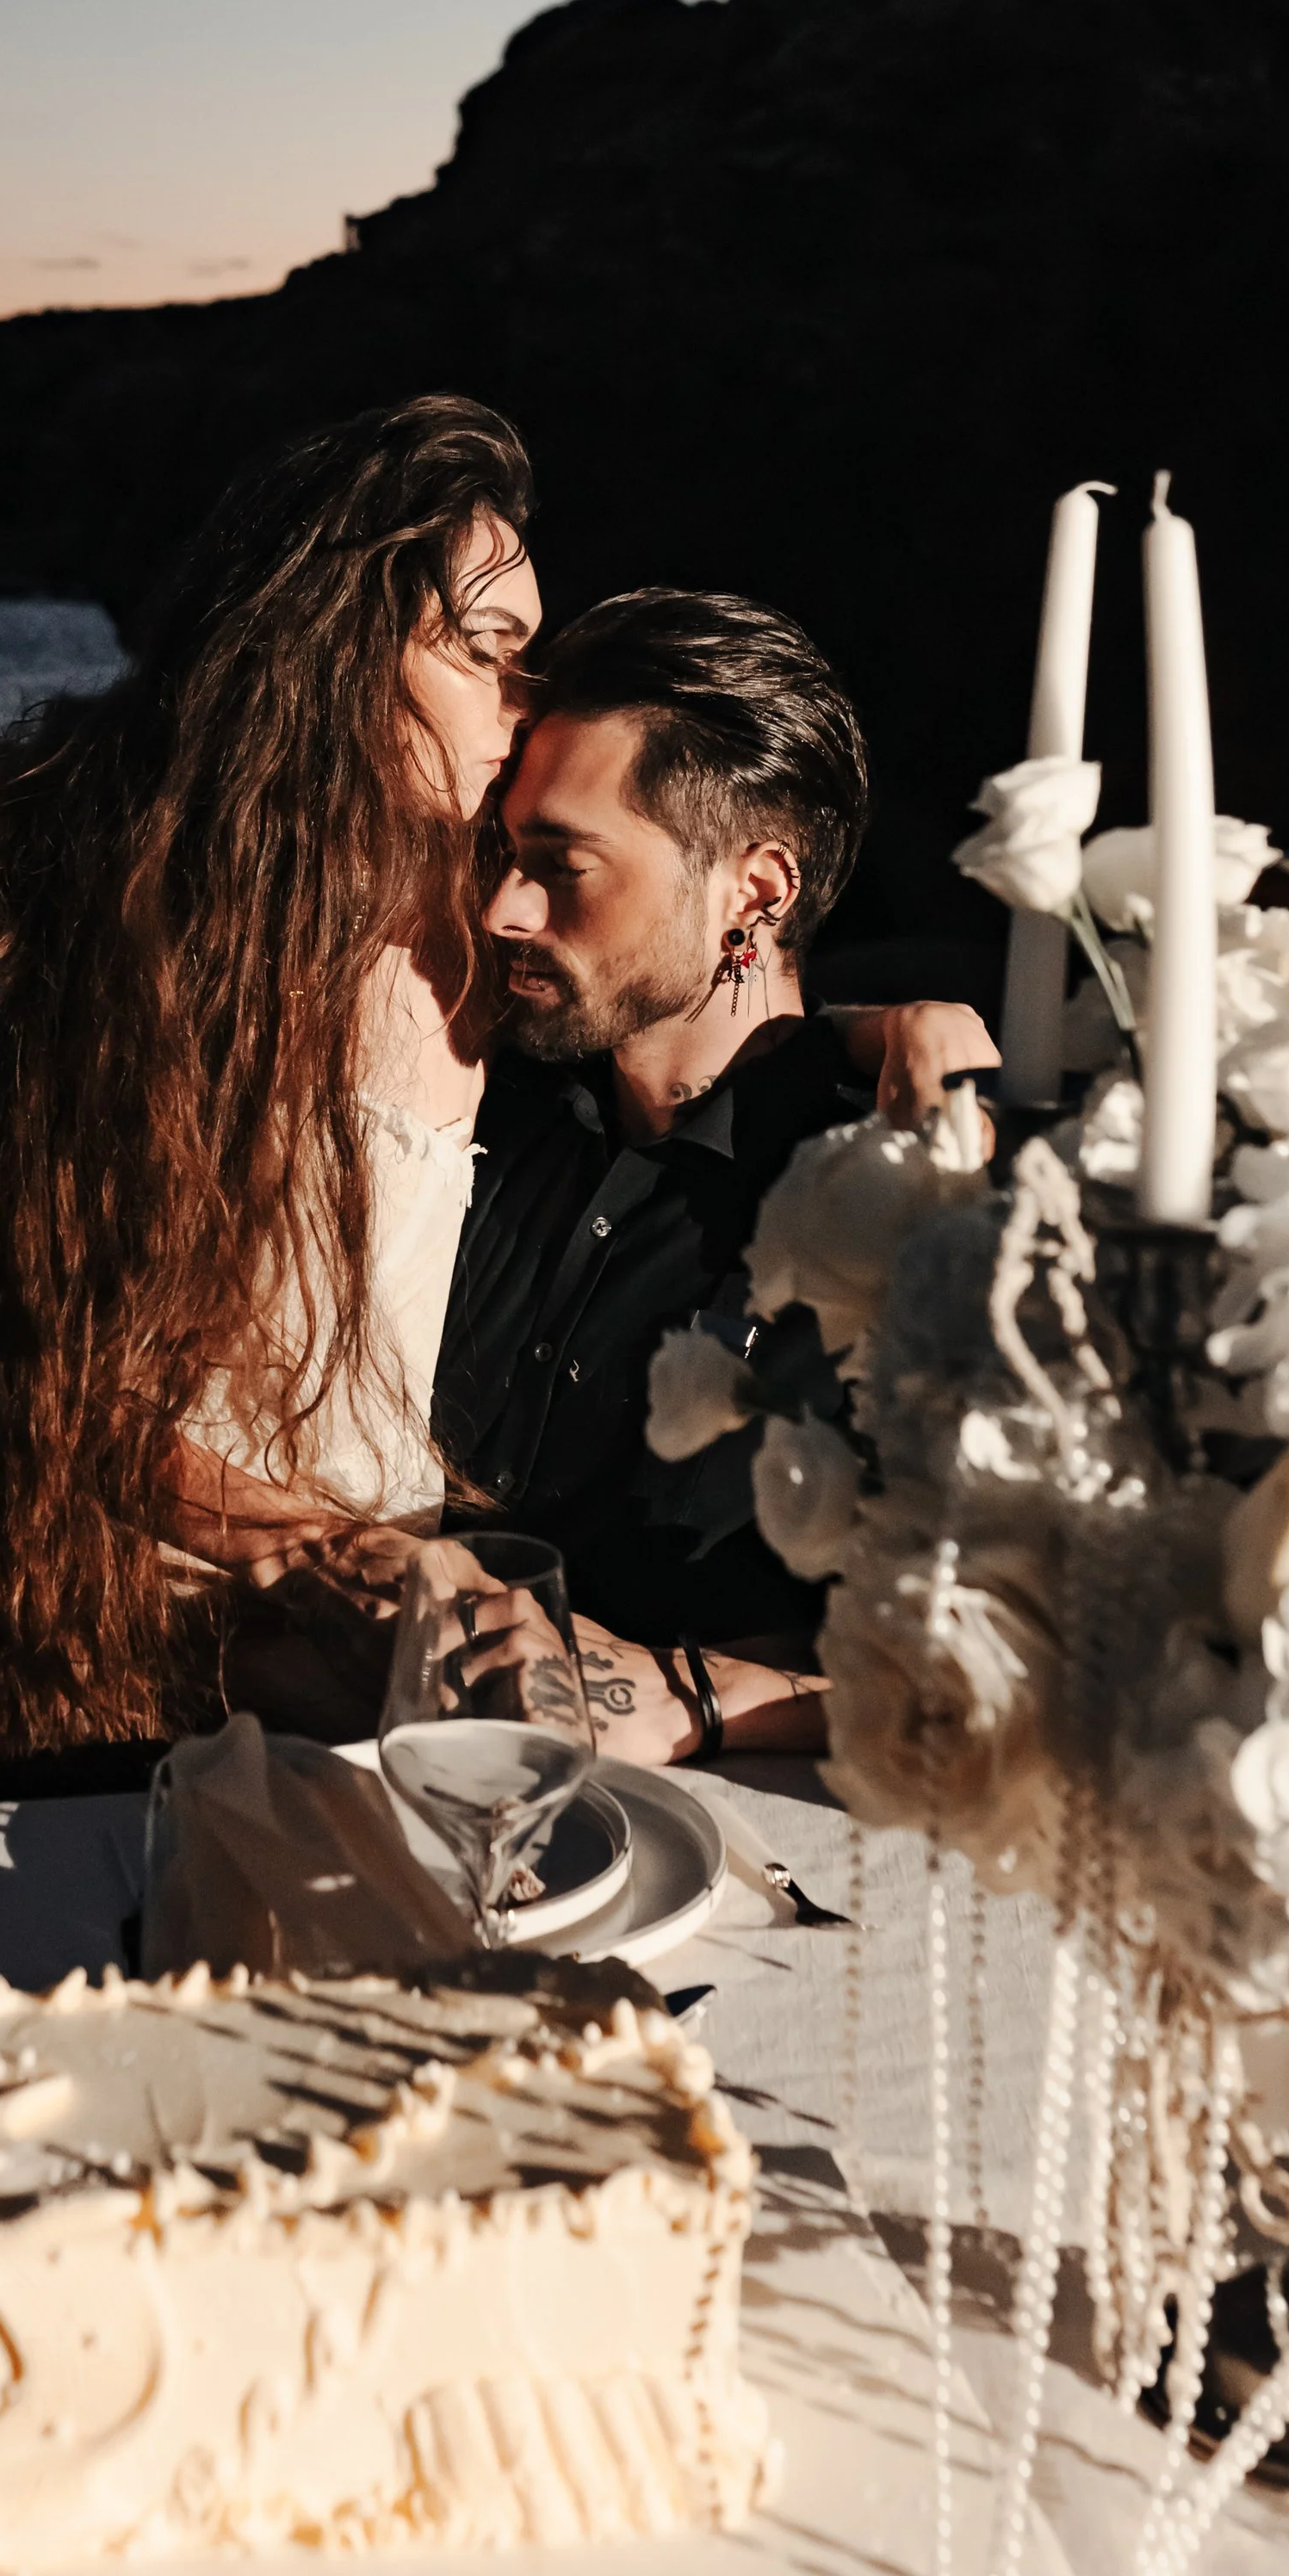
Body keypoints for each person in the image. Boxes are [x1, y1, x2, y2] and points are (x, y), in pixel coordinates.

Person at [0, 394, 543, 1792]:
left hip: (377, 1643)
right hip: (99, 1635)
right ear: (333, 647)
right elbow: (10, 1372)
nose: (524, 700)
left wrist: (862, 1030)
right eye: (484, 651)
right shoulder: (109, 931)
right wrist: (307, 1543)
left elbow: (672, 984)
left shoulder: (484, 912)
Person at [435, 586, 997, 1768]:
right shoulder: (482, 1101)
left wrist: (698, 1699)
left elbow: (1015, 1664)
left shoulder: (894, 1207)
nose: (503, 907)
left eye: (562, 864)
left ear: (758, 889)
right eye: (505, 851)